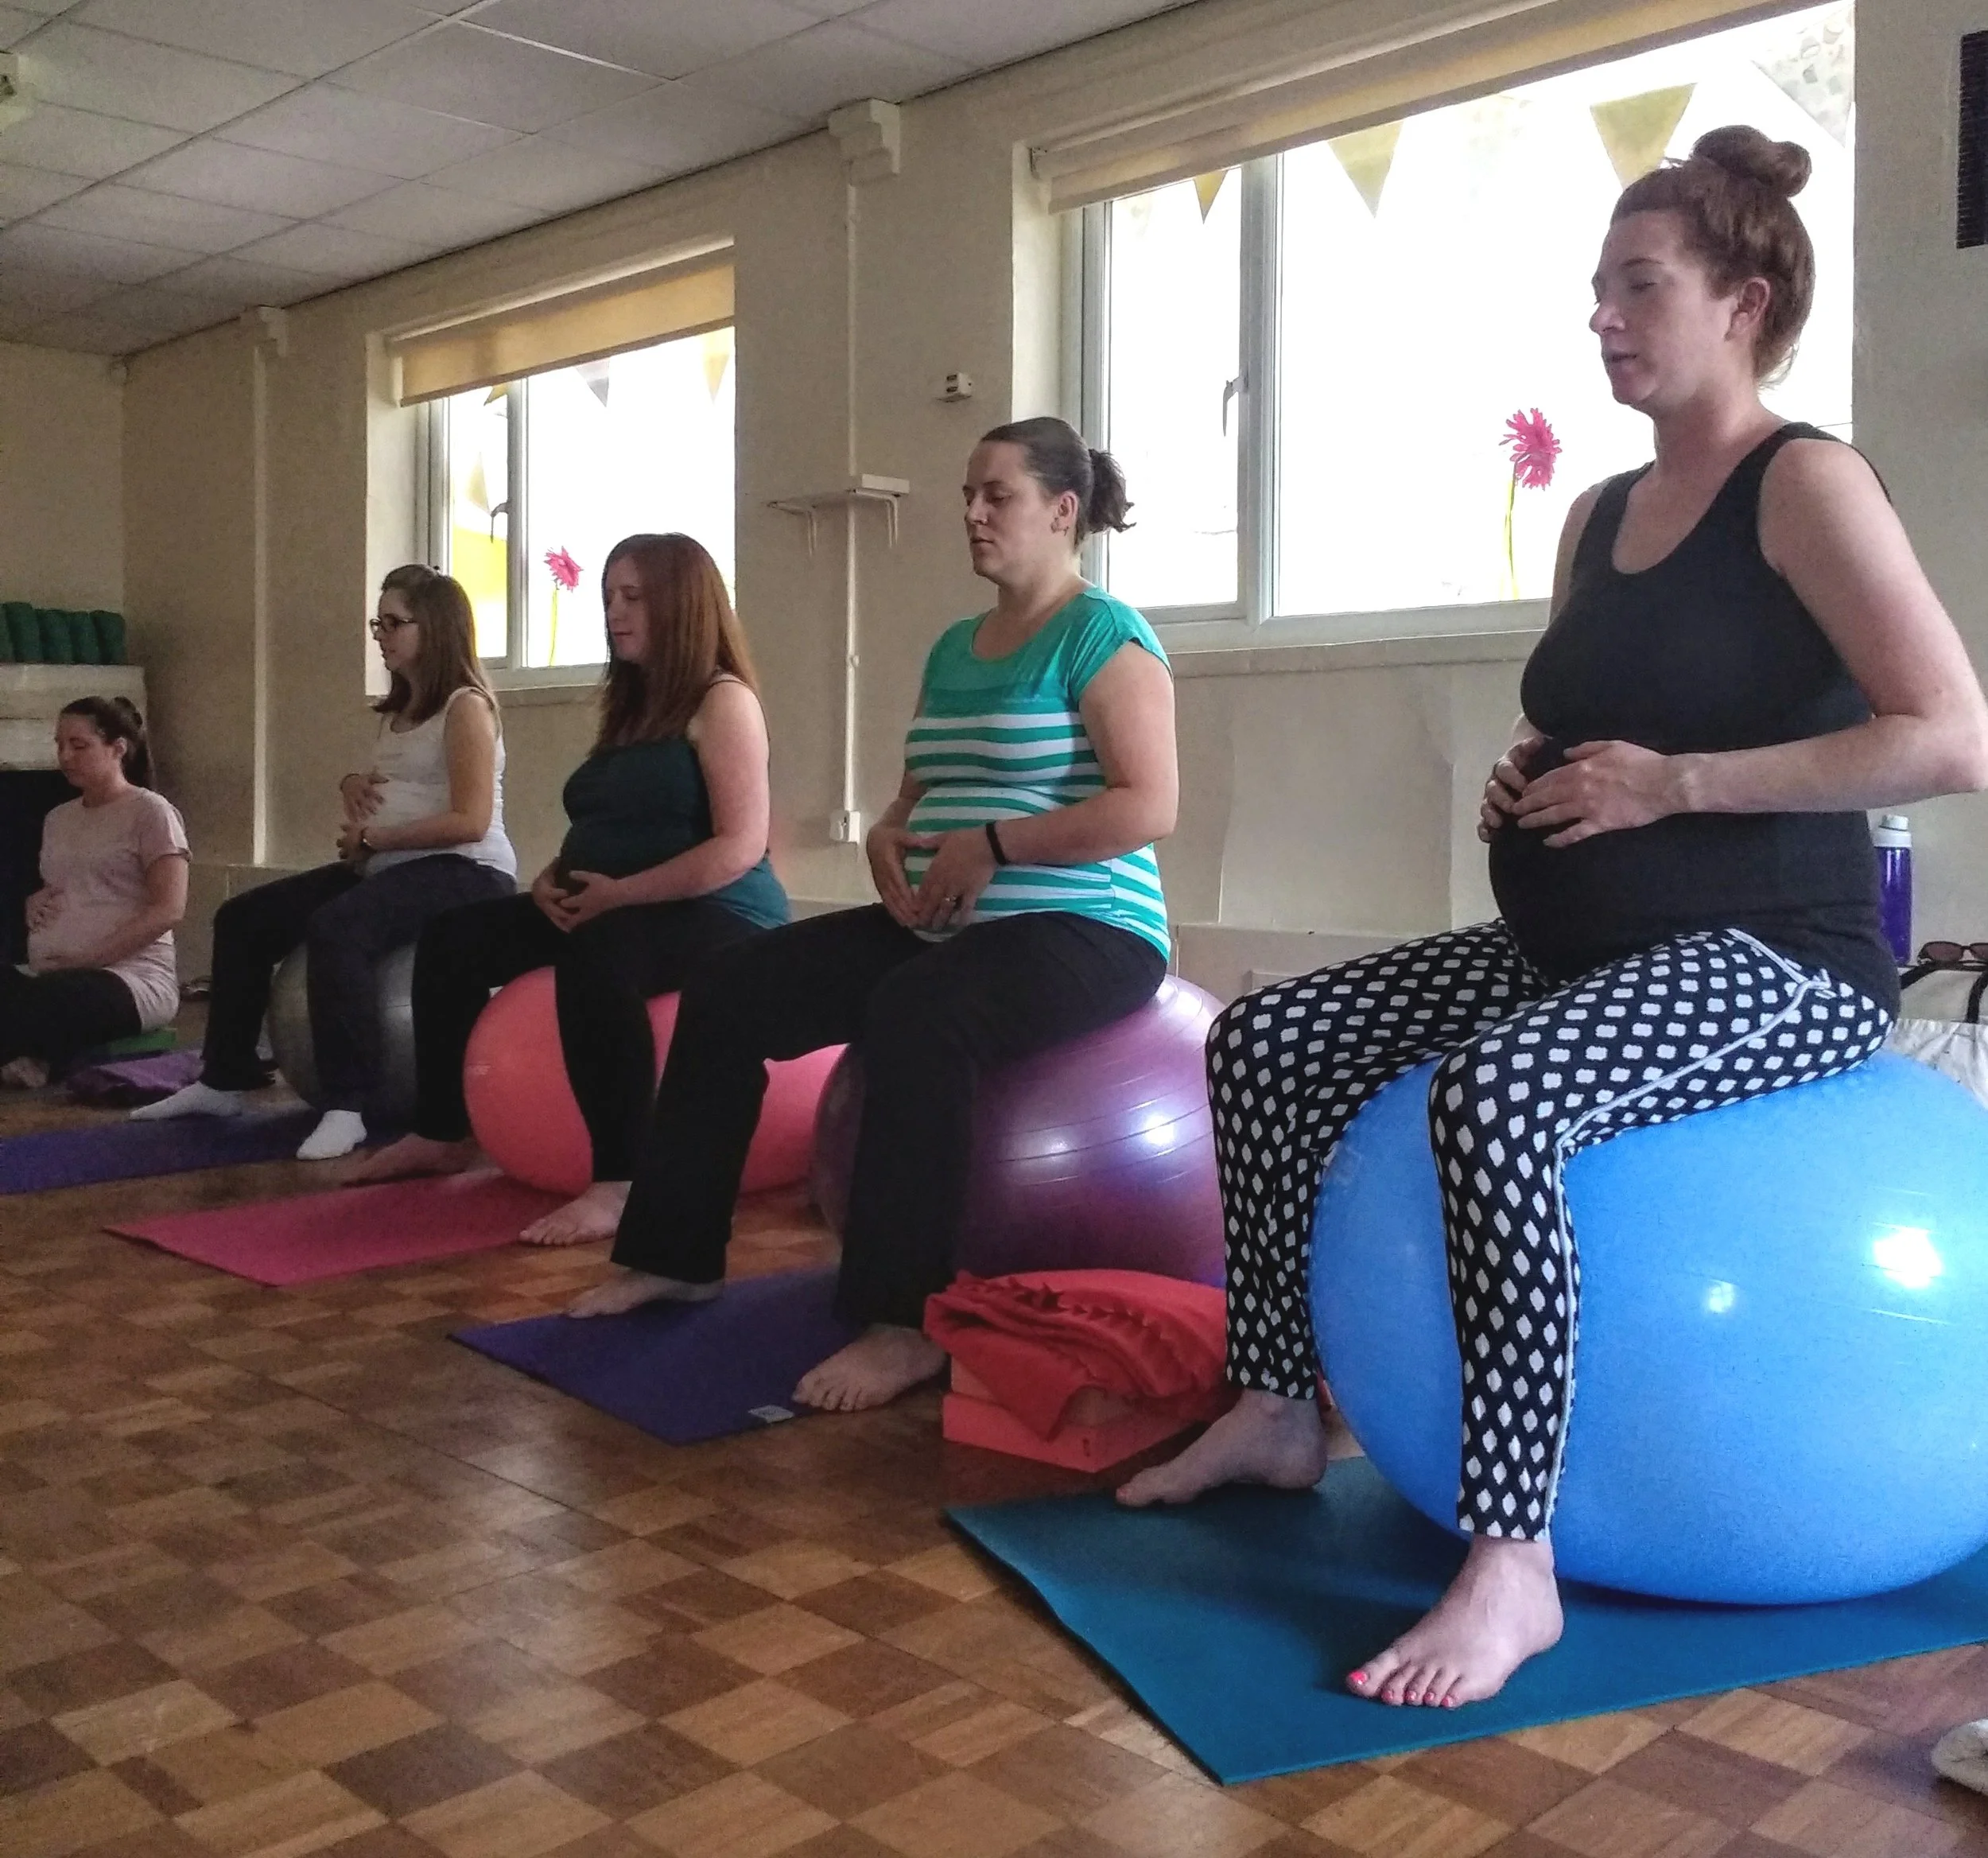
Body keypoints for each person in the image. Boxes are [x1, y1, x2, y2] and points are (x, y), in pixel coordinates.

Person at [1119, 126, 1988, 1708]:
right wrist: (1534, 770)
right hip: (1578, 940)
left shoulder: (1804, 483)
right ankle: (1269, 1405)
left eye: (1637, 286)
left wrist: (1671, 790)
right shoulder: (1598, 511)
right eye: (1594, 287)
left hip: (1776, 961)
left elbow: (1949, 734)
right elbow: (1612, 700)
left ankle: (1509, 1561)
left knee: (1495, 1097)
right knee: (1264, 1039)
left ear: (1742, 300)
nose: (1601, 316)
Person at [566, 417, 1181, 1415]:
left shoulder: (1104, 636)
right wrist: (889, 837)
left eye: (998, 494)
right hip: (949, 914)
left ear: (1063, 512)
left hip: (1088, 928)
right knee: (732, 987)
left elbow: (1147, 805)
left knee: (916, 1011)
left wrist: (995, 844)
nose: (974, 512)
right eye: (968, 494)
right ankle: (676, 1254)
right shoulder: (955, 646)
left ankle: (903, 1323)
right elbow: (917, 795)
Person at [351, 533, 789, 1246]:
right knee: (455, 939)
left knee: (600, 956)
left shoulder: (723, 701)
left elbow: (738, 847)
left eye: (634, 597)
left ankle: (621, 1180)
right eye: (609, 597)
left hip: (720, 912)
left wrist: (621, 896)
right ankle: (441, 1131)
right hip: (611, 899)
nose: (614, 612)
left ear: (682, 605)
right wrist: (554, 879)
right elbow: (601, 822)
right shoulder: (631, 706)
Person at [136, 566, 515, 1160]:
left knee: (340, 927)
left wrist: (379, 838)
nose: (381, 635)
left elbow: (469, 819)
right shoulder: (399, 710)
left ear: (435, 627)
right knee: (243, 918)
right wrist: (352, 783)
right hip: (390, 862)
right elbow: (398, 783)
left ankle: (350, 1104)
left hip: (466, 872)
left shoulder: (466, 707)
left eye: (394, 623)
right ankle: (224, 1079)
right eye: (377, 623)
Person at [2, 698, 188, 1086]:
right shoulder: (58, 818)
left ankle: (33, 1056)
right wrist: (33, 902)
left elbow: (168, 909)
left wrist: (87, 959)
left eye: (79, 745)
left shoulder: (152, 813)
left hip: (130, 980)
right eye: (59, 745)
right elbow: (73, 884)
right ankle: (29, 1054)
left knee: (49, 999)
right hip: (53, 972)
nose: (65, 756)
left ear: (118, 748)